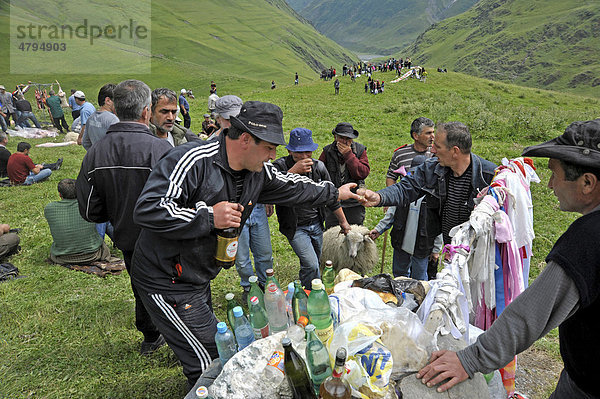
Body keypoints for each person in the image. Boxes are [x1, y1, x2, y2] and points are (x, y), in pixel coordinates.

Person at [130, 100, 360, 387]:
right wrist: (208, 216)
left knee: (211, 346)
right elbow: (149, 207)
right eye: (270, 148)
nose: (274, 155)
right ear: (246, 140)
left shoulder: (258, 172)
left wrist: (335, 192)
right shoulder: (192, 160)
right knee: (209, 359)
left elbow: (294, 186)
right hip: (165, 278)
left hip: (196, 273)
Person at [416, 119, 600, 399]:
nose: (549, 185)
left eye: (555, 175)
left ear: (587, 183)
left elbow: (533, 312)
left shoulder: (589, 238)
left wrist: (470, 359)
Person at [76, 79, 172, 355]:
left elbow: (89, 209)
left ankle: (150, 336)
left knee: (139, 285)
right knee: (174, 286)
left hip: (128, 237)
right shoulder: (162, 150)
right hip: (165, 236)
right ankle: (182, 335)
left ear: (115, 109)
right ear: (146, 111)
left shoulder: (95, 153)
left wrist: (114, 216)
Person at [357, 122, 496, 248]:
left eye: (438, 146)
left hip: (479, 252)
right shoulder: (433, 168)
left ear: (455, 151)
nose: (432, 150)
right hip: (451, 249)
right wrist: (379, 197)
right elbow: (407, 187)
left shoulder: (490, 178)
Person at [273, 127, 351, 288]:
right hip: (295, 227)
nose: (303, 157)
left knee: (314, 261)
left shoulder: (319, 167)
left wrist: (343, 222)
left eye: (307, 152)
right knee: (312, 265)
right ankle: (313, 293)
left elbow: (332, 196)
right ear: (289, 150)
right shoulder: (280, 166)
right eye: (298, 153)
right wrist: (293, 172)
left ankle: (305, 288)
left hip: (316, 224)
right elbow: (273, 189)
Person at [44, 179, 113, 265]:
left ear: (60, 194)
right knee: (104, 219)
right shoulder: (89, 205)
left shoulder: (49, 209)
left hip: (62, 258)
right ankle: (120, 241)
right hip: (93, 255)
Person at [319, 122, 370, 228]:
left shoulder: (360, 150)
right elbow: (319, 174)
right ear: (335, 137)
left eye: (349, 139)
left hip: (354, 203)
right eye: (342, 138)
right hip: (333, 202)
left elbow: (362, 173)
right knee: (332, 234)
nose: (346, 142)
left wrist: (348, 155)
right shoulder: (327, 151)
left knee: (355, 234)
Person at [81, 84, 119, 150]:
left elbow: (85, 142)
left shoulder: (90, 118)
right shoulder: (113, 120)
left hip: (96, 158)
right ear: (108, 101)